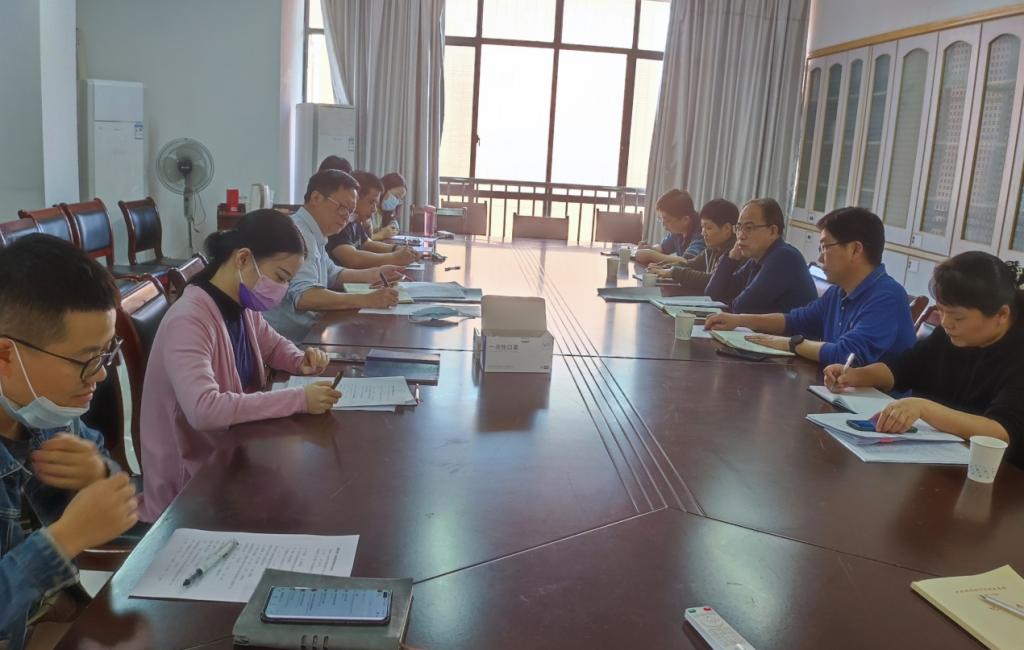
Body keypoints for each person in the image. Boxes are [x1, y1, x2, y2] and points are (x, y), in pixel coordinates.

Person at [140, 210, 343, 521]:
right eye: (280, 277)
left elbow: (272, 344)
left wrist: (300, 360)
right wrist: (300, 399)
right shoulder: (190, 319)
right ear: (244, 259)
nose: (282, 289)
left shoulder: (239, 303)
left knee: (309, 497)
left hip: (234, 454)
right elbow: (205, 409)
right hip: (190, 488)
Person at [0, 235, 138, 650]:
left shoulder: (46, 412)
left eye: (106, 352)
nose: (100, 374)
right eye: (85, 359)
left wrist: (98, 473)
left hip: (47, 619)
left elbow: (115, 489)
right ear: (5, 355)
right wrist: (63, 540)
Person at [823, 252, 1024, 466]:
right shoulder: (951, 334)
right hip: (941, 460)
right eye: (942, 311)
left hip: (997, 473)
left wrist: (924, 408)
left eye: (958, 317)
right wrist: (856, 376)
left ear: (1002, 315)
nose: (946, 323)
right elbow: (903, 367)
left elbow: (1000, 432)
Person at [705, 207, 916, 365]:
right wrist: (739, 320)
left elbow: (846, 355)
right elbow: (794, 321)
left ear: (855, 250)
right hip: (835, 391)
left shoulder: (887, 296)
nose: (819, 258)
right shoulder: (838, 292)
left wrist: (789, 344)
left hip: (878, 406)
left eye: (825, 247)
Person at [263, 170, 404, 342]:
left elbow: (332, 274)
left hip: (310, 333)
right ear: (316, 198)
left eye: (350, 211)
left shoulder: (315, 232)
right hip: (290, 341)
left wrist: (376, 273)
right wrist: (366, 300)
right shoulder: (297, 232)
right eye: (343, 207)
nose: (346, 217)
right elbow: (305, 297)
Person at [704, 197, 817, 314]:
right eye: (738, 228)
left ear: (773, 231)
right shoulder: (756, 259)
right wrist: (731, 258)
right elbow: (712, 294)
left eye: (749, 228)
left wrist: (728, 303)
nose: (741, 235)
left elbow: (742, 307)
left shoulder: (784, 258)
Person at [326, 171, 417, 269]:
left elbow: (367, 243)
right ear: (355, 198)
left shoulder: (355, 221)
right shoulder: (339, 222)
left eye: (376, 204)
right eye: (371, 202)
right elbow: (352, 259)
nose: (374, 209)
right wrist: (394, 258)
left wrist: (396, 248)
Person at [650, 199, 738, 294]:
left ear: (726, 228)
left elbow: (712, 279)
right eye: (702, 227)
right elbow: (690, 264)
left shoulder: (734, 254)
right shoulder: (712, 250)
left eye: (708, 228)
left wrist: (673, 272)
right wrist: (664, 268)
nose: (703, 233)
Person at [635, 189, 706, 266]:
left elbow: (688, 262)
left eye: (667, 220)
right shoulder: (678, 230)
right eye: (661, 219)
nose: (663, 224)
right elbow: (663, 248)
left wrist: (651, 255)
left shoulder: (702, 232)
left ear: (685, 220)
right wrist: (649, 248)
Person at [370, 172, 407, 241]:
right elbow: (360, 240)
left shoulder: (385, 211)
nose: (396, 202)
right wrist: (381, 235)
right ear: (384, 190)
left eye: (400, 199)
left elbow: (393, 224)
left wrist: (393, 228)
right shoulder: (369, 209)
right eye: (396, 196)